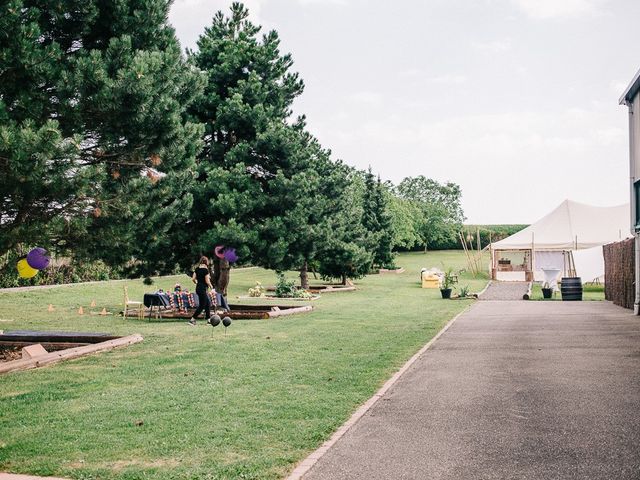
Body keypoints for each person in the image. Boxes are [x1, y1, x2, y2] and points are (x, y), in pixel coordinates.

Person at [188, 256, 215, 326]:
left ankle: (209, 320)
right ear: (206, 262)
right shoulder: (206, 270)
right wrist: (212, 287)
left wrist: (197, 283)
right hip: (203, 289)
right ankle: (192, 320)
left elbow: (193, 279)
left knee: (207, 303)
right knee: (202, 305)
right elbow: (207, 281)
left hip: (198, 288)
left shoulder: (197, 269)